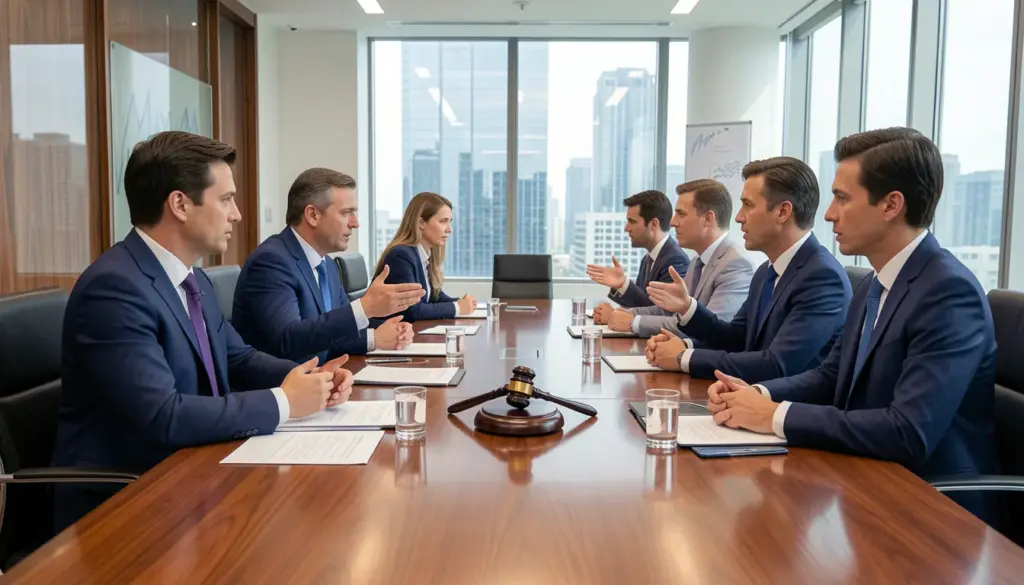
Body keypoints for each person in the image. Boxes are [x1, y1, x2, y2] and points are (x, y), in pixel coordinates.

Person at [51, 131, 353, 531]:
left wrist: (311, 379)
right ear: (179, 204)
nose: (237, 214)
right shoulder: (114, 289)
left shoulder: (193, 280)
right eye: (226, 199)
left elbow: (238, 357)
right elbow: (163, 416)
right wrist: (284, 401)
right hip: (125, 504)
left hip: (194, 473)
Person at [704, 128, 997, 520]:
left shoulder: (948, 293)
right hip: (867, 480)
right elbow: (830, 376)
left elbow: (907, 431)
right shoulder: (875, 283)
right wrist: (758, 393)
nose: (828, 213)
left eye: (842, 198)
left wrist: (773, 415)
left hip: (933, 507)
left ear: (891, 205)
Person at [644, 157, 851, 382]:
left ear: (783, 212)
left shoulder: (822, 277)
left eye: (748, 205)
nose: (738, 217)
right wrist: (687, 320)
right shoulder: (766, 272)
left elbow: (776, 365)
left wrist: (683, 358)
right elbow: (737, 338)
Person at [233, 168, 424, 363]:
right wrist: (364, 308)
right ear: (312, 215)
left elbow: (332, 334)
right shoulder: (271, 261)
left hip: (324, 376)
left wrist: (376, 337)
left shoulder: (327, 265)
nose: (355, 223)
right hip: (284, 380)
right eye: (346, 212)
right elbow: (288, 340)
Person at [604, 179, 753, 337]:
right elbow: (670, 310)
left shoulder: (736, 265)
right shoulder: (697, 262)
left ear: (708, 219)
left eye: (681, 214)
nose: (673, 222)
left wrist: (633, 322)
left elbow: (709, 329)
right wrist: (626, 315)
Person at [588, 190, 690, 319]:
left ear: (654, 224)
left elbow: (665, 313)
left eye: (632, 221)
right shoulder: (647, 259)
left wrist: (615, 315)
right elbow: (642, 304)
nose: (626, 228)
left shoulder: (676, 260)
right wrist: (622, 285)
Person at [374, 192, 475, 322]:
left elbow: (435, 297)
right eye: (443, 221)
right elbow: (413, 311)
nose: (449, 229)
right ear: (421, 223)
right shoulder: (401, 256)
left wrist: (462, 303)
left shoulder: (424, 256)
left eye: (450, 222)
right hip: (388, 332)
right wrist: (458, 307)